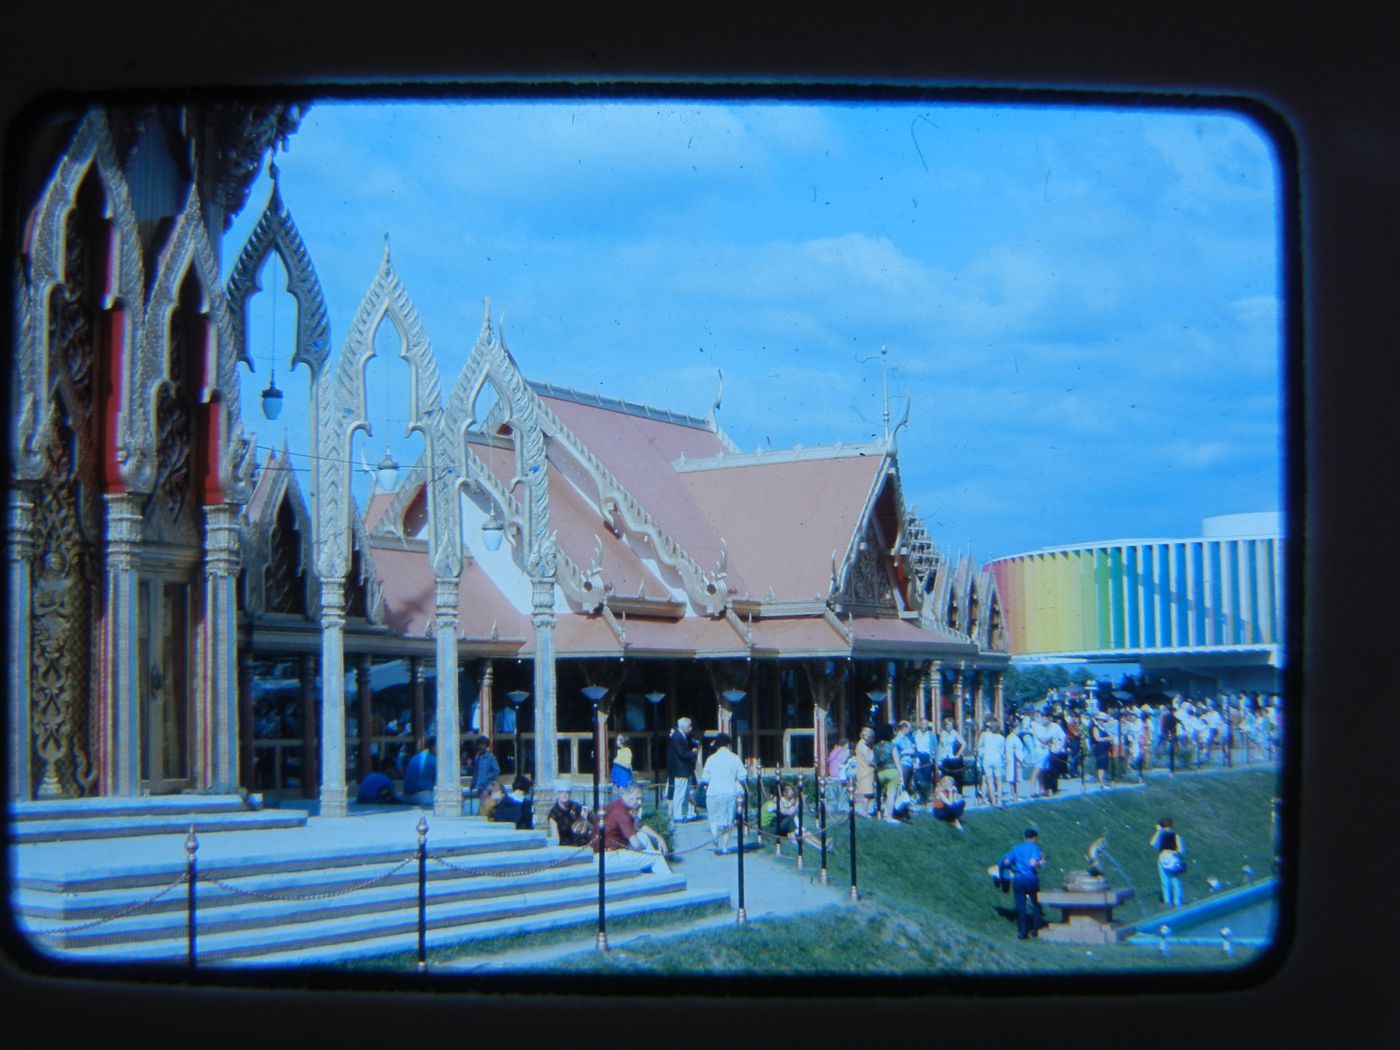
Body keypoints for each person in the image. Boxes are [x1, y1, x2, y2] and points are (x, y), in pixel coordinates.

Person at [595, 784, 669, 870]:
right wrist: (646, 852)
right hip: (609, 856)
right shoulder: (622, 813)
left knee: (643, 837)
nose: (640, 803)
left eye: (641, 799)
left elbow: (638, 825)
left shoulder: (617, 805)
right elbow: (636, 844)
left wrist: (658, 837)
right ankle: (669, 880)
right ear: (626, 795)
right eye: (637, 799)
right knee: (656, 857)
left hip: (605, 852)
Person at [699, 732, 745, 854]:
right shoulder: (735, 758)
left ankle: (714, 835)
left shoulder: (711, 759)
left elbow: (705, 778)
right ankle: (725, 846)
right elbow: (742, 776)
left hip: (713, 792)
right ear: (728, 744)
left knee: (713, 817)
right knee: (728, 820)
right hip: (730, 791)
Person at [998, 827, 1047, 939]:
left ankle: (1022, 932)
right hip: (1031, 879)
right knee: (1036, 904)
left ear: (1024, 837)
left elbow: (1006, 861)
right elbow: (1032, 863)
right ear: (1034, 837)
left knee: (1021, 906)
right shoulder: (1035, 848)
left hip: (1018, 879)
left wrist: (1013, 869)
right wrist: (1041, 862)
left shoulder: (1016, 848)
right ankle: (1035, 929)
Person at [667, 717, 701, 823]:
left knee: (686, 794)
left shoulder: (684, 735)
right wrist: (693, 753)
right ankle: (677, 816)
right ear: (683, 726)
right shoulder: (676, 736)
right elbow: (681, 753)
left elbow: (689, 743)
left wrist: (695, 744)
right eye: (689, 726)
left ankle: (684, 813)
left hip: (686, 770)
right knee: (679, 793)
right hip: (680, 770)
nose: (690, 728)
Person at [1150, 816, 1186, 907]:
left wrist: (1158, 831)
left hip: (1163, 859)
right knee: (1175, 881)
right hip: (1174, 860)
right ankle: (1178, 901)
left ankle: (1167, 901)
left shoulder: (1161, 834)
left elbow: (1153, 843)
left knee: (1165, 881)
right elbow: (1181, 850)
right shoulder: (1176, 835)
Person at [873, 727, 902, 822]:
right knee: (891, 795)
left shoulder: (876, 747)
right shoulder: (892, 746)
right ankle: (889, 816)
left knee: (884, 794)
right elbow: (897, 761)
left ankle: (883, 812)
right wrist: (901, 776)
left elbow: (873, 761)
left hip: (881, 772)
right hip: (892, 771)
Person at [976, 720, 1005, 807]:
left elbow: (979, 746)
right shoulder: (1001, 738)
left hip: (987, 758)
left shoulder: (985, 735)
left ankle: (993, 801)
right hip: (997, 758)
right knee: (998, 781)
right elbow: (1002, 752)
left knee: (989, 781)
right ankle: (999, 800)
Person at [402, 735, 437, 805]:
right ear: (434, 746)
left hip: (407, 797)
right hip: (423, 797)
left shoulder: (414, 757)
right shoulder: (434, 760)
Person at [936, 717, 966, 791]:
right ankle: (945, 792)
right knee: (944, 776)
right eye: (947, 725)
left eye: (950, 725)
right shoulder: (943, 733)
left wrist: (957, 755)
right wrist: (938, 759)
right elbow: (940, 746)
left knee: (953, 776)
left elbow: (964, 744)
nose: (948, 726)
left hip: (952, 757)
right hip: (944, 756)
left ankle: (955, 791)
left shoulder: (955, 733)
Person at [854, 726, 877, 817]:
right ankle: (865, 811)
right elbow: (869, 760)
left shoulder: (860, 744)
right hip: (866, 771)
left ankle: (864, 811)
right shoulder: (863, 746)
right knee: (867, 793)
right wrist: (876, 764)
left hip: (862, 769)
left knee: (865, 792)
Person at [1091, 714, 1113, 788]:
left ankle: (1103, 782)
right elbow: (1097, 739)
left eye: (1103, 720)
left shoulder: (1103, 728)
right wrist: (1107, 739)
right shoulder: (1095, 728)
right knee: (1100, 766)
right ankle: (1101, 783)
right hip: (1099, 749)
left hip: (1105, 749)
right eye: (1100, 720)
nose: (1101, 721)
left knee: (1104, 766)